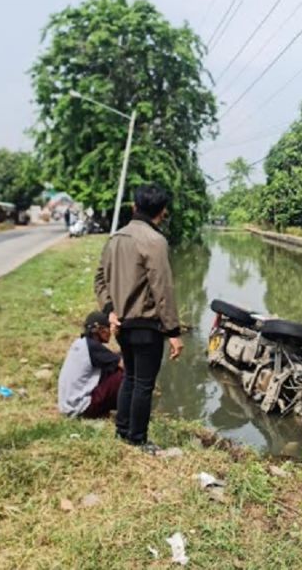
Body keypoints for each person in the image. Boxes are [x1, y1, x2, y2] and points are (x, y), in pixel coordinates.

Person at [94, 184, 183, 453]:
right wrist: (174, 332)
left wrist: (109, 309)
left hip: (121, 324)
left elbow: (99, 279)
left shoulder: (115, 238)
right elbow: (162, 289)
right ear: (162, 211)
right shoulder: (155, 242)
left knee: (130, 377)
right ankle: (137, 438)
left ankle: (123, 430)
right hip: (146, 324)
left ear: (135, 207)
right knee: (144, 383)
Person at [57, 311, 125, 419]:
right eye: (108, 328)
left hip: (68, 405)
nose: (110, 333)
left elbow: (112, 359)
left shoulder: (81, 343)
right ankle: (128, 411)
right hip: (81, 407)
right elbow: (124, 364)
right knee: (124, 375)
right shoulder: (93, 347)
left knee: (112, 370)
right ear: (100, 330)